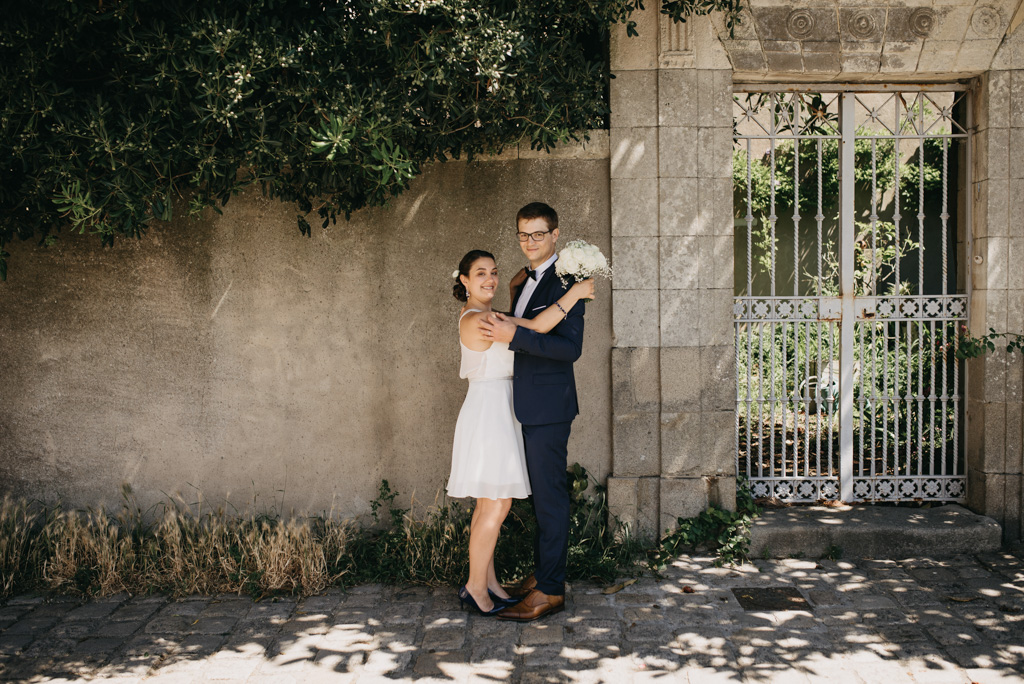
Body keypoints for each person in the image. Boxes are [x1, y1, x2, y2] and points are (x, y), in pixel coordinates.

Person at [449, 248, 594, 615]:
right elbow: (534, 328)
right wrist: (573, 295)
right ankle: (476, 588)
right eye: (480, 273)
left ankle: (488, 582)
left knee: (489, 506)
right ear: (464, 280)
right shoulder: (478, 320)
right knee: (496, 506)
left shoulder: (489, 314)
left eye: (494, 272)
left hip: (498, 410)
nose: (490, 279)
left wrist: (517, 288)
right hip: (489, 414)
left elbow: (522, 325)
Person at [479, 201, 585, 622]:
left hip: (549, 405)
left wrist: (512, 335)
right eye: (523, 234)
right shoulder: (524, 279)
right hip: (524, 403)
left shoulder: (568, 281)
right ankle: (544, 574)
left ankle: (551, 591)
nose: (530, 242)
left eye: (538, 234)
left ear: (555, 235)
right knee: (539, 497)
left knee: (550, 498)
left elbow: (568, 349)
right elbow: (521, 325)